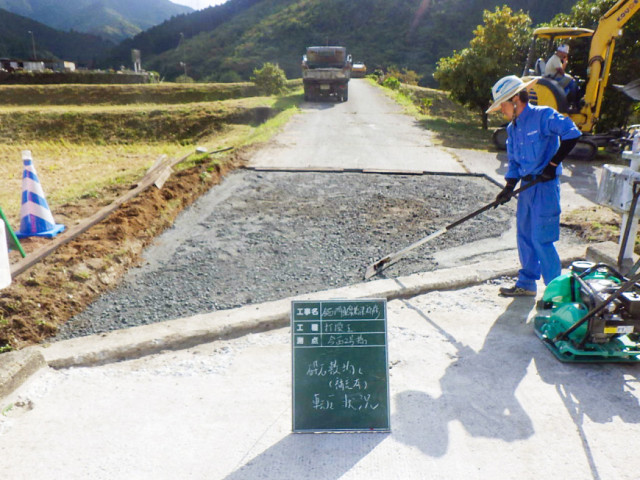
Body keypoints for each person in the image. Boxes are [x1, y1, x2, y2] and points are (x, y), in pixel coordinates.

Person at [487, 75, 581, 297]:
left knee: (542, 239)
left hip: (545, 188)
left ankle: (557, 294)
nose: (502, 110)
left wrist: (553, 164)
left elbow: (572, 133)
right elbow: (515, 163)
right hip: (527, 190)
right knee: (525, 237)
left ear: (515, 100)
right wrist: (509, 187)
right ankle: (527, 284)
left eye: (503, 104)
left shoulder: (544, 116)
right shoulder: (512, 128)